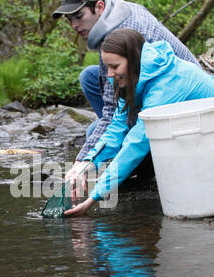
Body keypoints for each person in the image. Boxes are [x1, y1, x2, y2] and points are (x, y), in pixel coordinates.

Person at [52, 0, 201, 181]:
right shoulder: (118, 12)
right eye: (69, 20)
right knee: (89, 76)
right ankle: (119, 151)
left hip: (182, 104)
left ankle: (141, 162)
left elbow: (112, 110)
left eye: (79, 16)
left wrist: (83, 161)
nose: (74, 25)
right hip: (153, 86)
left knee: (93, 131)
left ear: (99, 7)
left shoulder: (121, 34)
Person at [63, 28, 214, 216]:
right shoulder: (131, 74)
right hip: (188, 132)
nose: (109, 74)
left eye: (115, 67)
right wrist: (87, 163)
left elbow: (136, 143)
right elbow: (117, 126)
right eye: (107, 67)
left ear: (132, 60)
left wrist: (95, 196)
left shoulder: (167, 84)